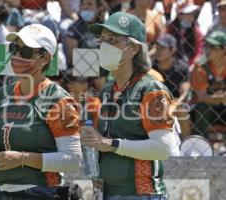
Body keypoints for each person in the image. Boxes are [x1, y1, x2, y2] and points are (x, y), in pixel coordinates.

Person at [0, 24, 82, 199]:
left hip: (43, 193)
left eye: (25, 52)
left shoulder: (58, 99)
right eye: (14, 48)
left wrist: (22, 158)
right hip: (1, 194)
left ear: (45, 58)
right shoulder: (0, 95)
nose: (16, 56)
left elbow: (73, 160)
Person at [80, 12, 178, 199]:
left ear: (133, 49)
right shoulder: (108, 90)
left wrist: (110, 144)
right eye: (102, 40)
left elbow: (163, 148)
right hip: (107, 192)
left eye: (113, 40)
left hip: (141, 193)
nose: (104, 46)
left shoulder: (150, 88)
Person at [152, 34, 191, 136]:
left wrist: (175, 104)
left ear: (172, 50)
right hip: (152, 101)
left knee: (182, 109)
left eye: (163, 48)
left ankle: (185, 143)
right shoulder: (150, 66)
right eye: (157, 47)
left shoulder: (181, 67)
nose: (158, 51)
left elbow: (185, 92)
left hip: (174, 102)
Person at [190, 31, 226, 138]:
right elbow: (200, 97)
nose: (208, 50)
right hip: (208, 106)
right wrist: (218, 98)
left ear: (224, 49)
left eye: (213, 47)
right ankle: (200, 144)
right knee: (203, 107)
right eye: (207, 46)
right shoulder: (200, 67)